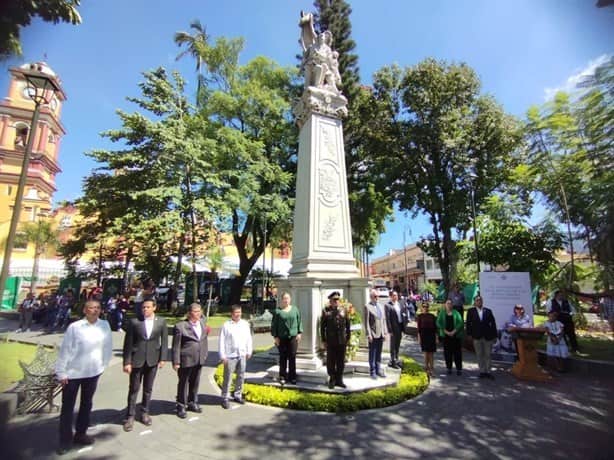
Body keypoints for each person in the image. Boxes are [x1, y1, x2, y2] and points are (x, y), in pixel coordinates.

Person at [54, 300, 112, 455]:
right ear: (85, 310)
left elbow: (107, 346)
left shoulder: (104, 325)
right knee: (68, 407)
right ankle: (65, 440)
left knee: (86, 404)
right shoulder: (75, 327)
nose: (95, 310)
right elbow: (65, 349)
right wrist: (61, 372)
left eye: (98, 308)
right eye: (91, 308)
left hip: (93, 372)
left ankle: (81, 433)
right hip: (73, 373)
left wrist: (103, 365)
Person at [122, 298, 168, 432]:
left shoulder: (161, 322)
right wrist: (127, 362)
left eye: (148, 307)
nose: (145, 309)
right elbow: (128, 344)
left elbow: (164, 341)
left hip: (153, 360)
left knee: (148, 389)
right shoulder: (135, 322)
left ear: (154, 308)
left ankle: (144, 413)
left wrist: (163, 358)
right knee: (134, 389)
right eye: (143, 307)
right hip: (137, 359)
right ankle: (130, 416)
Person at [172, 303, 209, 418]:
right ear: (189, 313)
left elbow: (203, 339)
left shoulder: (202, 323)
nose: (198, 314)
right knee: (183, 383)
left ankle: (192, 402)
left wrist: (205, 353)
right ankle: (181, 405)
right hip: (186, 359)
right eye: (195, 311)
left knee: (195, 382)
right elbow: (176, 345)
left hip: (199, 358)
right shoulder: (180, 326)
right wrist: (176, 361)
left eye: (199, 311)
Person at [219, 304, 253, 409]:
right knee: (228, 377)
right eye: (236, 312)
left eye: (239, 312)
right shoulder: (226, 325)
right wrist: (222, 355)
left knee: (241, 375)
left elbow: (249, 338)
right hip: (230, 355)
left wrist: (249, 350)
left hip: (242, 354)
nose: (238, 314)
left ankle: (237, 395)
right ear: (232, 314)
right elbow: (221, 341)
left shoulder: (245, 324)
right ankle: (225, 397)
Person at [320, 291, 351, 389]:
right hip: (331, 341)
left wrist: (348, 337)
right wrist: (324, 340)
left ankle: (339, 379)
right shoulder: (326, 311)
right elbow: (322, 327)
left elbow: (348, 325)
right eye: (334, 300)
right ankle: (332, 378)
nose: (336, 301)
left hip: (342, 340)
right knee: (331, 361)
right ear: (330, 301)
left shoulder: (344, 310)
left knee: (341, 361)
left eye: (338, 300)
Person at [271, 292, 303, 385]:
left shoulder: (295, 309)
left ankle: (292, 377)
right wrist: (276, 337)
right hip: (281, 338)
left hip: (293, 337)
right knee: (283, 357)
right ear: (281, 300)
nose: (286, 300)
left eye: (287, 298)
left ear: (290, 299)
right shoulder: (278, 311)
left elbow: (299, 321)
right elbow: (274, 325)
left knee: (292, 357)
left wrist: (299, 333)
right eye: (284, 298)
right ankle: (282, 376)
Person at [466, 295, 498, 379]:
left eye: (480, 300)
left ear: (482, 301)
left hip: (488, 336)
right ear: (474, 302)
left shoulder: (488, 311)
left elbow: (493, 324)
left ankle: (488, 371)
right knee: (479, 355)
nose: (479, 302)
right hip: (476, 336)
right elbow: (468, 324)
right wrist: (469, 335)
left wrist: (495, 336)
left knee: (488, 355)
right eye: (477, 300)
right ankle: (482, 371)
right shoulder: (471, 311)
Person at [364, 289, 389, 379]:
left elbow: (384, 320)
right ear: (371, 297)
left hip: (381, 333)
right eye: (375, 296)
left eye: (378, 296)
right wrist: (368, 334)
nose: (377, 298)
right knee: (372, 353)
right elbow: (366, 322)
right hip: (373, 334)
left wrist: (385, 332)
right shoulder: (367, 306)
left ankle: (378, 370)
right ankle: (372, 371)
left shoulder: (380, 306)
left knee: (379, 353)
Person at [436, 299, 464, 375]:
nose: (449, 305)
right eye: (447, 303)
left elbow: (460, 323)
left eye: (450, 303)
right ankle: (449, 368)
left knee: (457, 353)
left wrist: (454, 331)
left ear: (452, 305)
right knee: (447, 353)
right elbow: (438, 323)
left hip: (455, 336)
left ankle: (459, 369)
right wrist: (446, 332)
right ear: (445, 304)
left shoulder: (456, 313)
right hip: (446, 336)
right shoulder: (442, 313)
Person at [385, 290, 409, 369]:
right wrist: (390, 330)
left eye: (396, 295)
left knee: (398, 344)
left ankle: (397, 359)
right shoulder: (388, 305)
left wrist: (405, 326)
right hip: (393, 328)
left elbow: (403, 314)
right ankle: (393, 361)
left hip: (400, 326)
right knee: (393, 345)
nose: (395, 297)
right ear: (391, 296)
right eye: (394, 295)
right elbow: (387, 319)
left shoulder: (399, 304)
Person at [416, 301, 437, 377]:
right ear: (422, 308)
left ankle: (432, 369)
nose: (425, 308)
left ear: (428, 308)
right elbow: (418, 328)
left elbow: (435, 328)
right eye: (424, 306)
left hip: (431, 335)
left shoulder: (432, 316)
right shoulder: (420, 316)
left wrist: (436, 337)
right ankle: (426, 368)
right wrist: (419, 337)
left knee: (431, 353)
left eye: (426, 306)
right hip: (423, 335)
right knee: (425, 353)